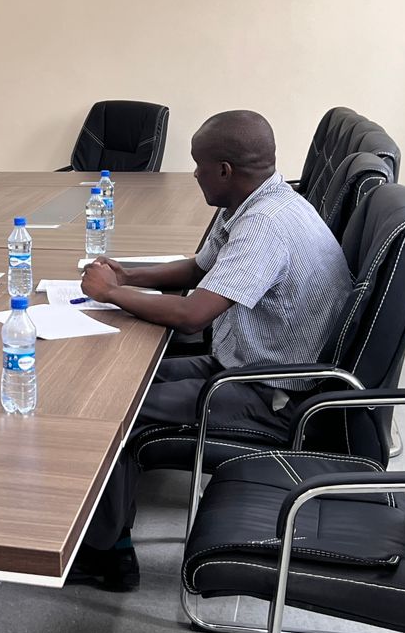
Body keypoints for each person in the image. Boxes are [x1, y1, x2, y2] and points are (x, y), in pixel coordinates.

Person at [74, 110, 352, 589]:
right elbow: (199, 268)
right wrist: (128, 274)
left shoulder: (266, 225)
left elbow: (192, 315)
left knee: (113, 406)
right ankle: (107, 533)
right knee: (117, 378)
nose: (194, 174)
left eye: (198, 165)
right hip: (244, 364)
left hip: (269, 395)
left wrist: (112, 294)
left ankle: (107, 556)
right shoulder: (257, 200)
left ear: (224, 170)